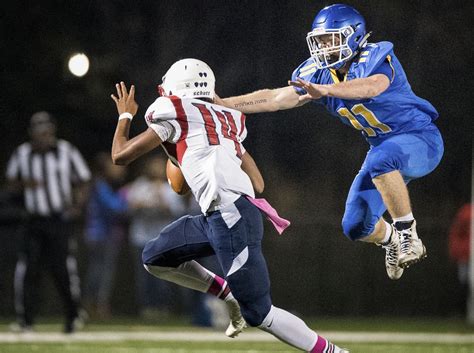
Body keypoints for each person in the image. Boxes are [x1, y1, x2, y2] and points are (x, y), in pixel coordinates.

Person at [109, 59, 348, 352]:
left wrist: (124, 116)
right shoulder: (225, 120)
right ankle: (227, 293)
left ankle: (334, 352)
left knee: (260, 314)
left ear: (172, 89)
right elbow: (258, 184)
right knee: (155, 257)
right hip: (219, 214)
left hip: (231, 216)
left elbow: (120, 156)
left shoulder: (173, 114)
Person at [218, 4, 444, 280]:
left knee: (380, 158)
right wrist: (224, 104)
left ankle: (409, 233)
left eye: (331, 39)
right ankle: (393, 241)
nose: (324, 47)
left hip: (420, 140)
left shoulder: (376, 56)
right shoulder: (318, 73)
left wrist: (326, 90)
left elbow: (372, 87)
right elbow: (276, 98)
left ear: (353, 36)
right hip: (383, 152)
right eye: (320, 41)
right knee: (355, 226)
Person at [5, 111, 91, 333]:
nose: (43, 135)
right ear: (32, 133)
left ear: (52, 131)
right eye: (39, 130)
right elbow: (11, 183)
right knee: (28, 269)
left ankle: (73, 317)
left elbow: (83, 180)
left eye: (46, 130)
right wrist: (25, 185)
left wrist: (76, 207)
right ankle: (25, 320)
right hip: (32, 221)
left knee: (64, 270)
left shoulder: (66, 151)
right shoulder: (22, 153)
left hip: (58, 219)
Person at [83, 152, 128, 319]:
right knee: (101, 272)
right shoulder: (100, 185)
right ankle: (96, 305)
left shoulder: (104, 186)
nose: (120, 170)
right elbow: (114, 209)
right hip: (100, 234)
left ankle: (94, 304)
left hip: (103, 234)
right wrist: (125, 196)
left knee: (100, 271)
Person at [448, 203, 472, 315]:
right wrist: (458, 252)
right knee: (465, 284)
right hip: (467, 256)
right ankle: (462, 313)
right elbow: (457, 233)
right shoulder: (467, 212)